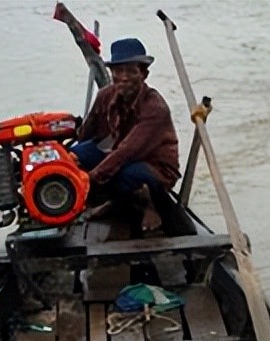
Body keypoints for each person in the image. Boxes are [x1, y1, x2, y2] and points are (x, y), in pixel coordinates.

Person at [70, 37, 195, 236]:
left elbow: (127, 151)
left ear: (144, 74)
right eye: (118, 71)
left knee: (128, 174)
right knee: (77, 154)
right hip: (119, 156)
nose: (124, 77)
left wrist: (87, 179)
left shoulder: (155, 107)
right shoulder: (106, 95)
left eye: (131, 71)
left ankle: (149, 206)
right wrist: (71, 162)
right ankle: (111, 201)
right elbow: (87, 133)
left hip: (152, 168)